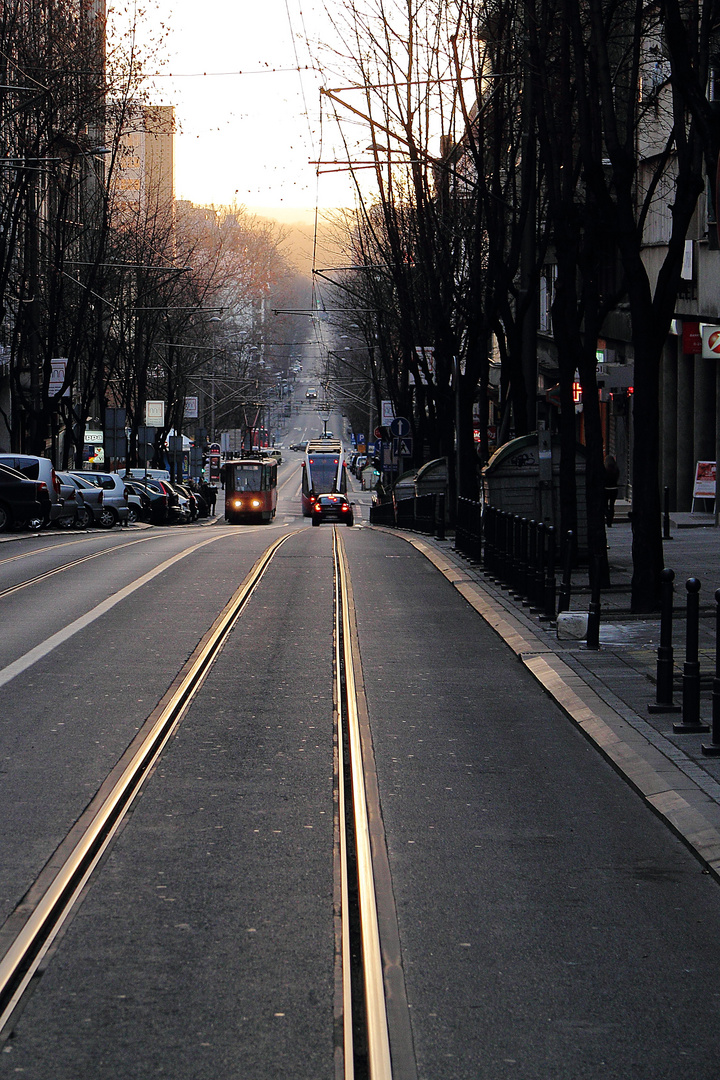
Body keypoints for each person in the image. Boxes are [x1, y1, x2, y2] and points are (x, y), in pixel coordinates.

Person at [604, 454, 620, 527]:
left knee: (605, 505)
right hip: (614, 489)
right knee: (612, 505)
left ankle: (607, 515)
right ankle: (610, 521)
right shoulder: (616, 469)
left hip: (606, 489)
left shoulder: (605, 469)